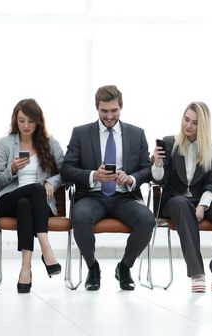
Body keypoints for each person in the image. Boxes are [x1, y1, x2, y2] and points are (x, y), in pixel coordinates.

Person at [61, 85, 155, 291]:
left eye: (114, 110)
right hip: (92, 195)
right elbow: (66, 169)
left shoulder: (137, 134)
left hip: (124, 197)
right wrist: (94, 175)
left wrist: (130, 178)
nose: (109, 116)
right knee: (80, 217)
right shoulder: (81, 133)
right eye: (104, 111)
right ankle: (92, 267)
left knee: (148, 220)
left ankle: (124, 267)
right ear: (97, 108)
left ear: (121, 107)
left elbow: (147, 170)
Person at [152, 102, 212, 293]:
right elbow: (160, 181)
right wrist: (158, 164)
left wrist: (202, 205)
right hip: (174, 201)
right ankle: (196, 273)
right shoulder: (169, 143)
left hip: (201, 202)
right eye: (186, 119)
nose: (188, 125)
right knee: (180, 203)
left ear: (203, 126)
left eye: (194, 122)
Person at [0, 99, 64, 293]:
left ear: (38, 122)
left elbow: (66, 171)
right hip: (8, 199)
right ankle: (46, 247)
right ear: (15, 121)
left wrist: (52, 181)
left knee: (27, 202)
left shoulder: (50, 143)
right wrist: (12, 169)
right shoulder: (5, 143)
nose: (26, 125)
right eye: (21, 120)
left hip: (39, 206)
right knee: (35, 189)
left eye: (31, 121)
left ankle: (25, 268)